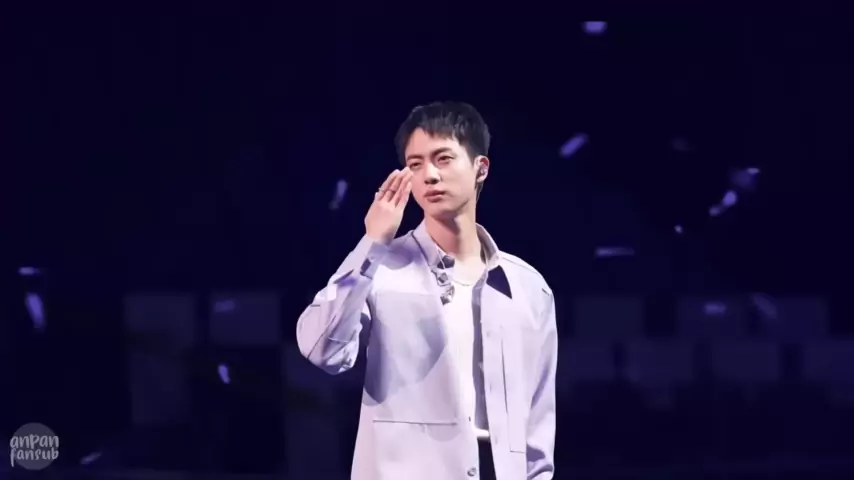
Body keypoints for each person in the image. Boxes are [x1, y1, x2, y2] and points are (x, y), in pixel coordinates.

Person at [296, 102, 557, 480]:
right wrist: (372, 243)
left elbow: (538, 419)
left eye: (443, 159)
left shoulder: (529, 288)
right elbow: (322, 349)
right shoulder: (381, 269)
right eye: (415, 164)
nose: (429, 175)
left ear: (481, 168)